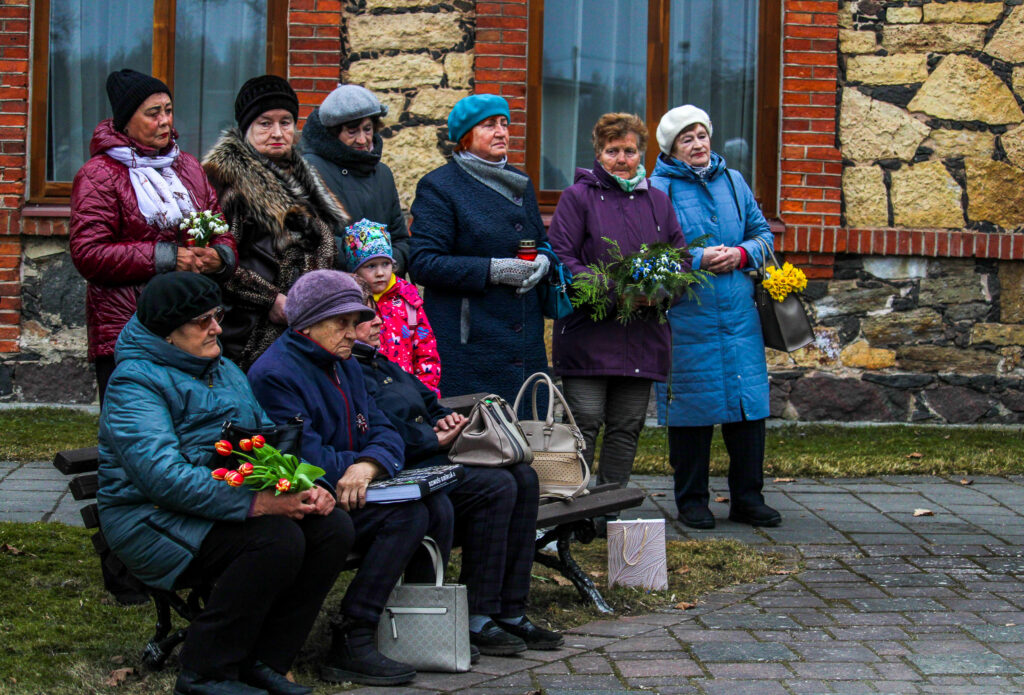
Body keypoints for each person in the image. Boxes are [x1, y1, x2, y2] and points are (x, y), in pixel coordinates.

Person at [96, 272, 350, 695]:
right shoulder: (134, 383)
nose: (216, 327)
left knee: (331, 528)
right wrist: (258, 504)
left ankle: (266, 659)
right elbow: (161, 477)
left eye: (217, 315)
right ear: (168, 334)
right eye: (203, 321)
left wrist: (302, 484)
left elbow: (266, 439)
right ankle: (204, 672)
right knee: (275, 539)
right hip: (151, 520)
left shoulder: (224, 368)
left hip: (217, 502)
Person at [247, 270, 454, 686]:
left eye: (353, 320)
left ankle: (409, 629)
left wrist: (370, 464)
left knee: (436, 504)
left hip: (356, 485)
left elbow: (384, 430)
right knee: (407, 515)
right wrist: (358, 463)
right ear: (307, 323)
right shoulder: (276, 373)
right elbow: (303, 455)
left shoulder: (344, 363)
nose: (352, 331)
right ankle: (353, 635)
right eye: (340, 322)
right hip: (310, 499)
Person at [351, 283, 564, 656]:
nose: (377, 321)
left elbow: (426, 399)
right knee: (497, 486)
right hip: (406, 468)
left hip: (434, 456)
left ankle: (510, 609)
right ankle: (477, 614)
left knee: (525, 477)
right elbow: (379, 428)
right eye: (364, 317)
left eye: (374, 312)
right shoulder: (352, 371)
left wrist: (447, 420)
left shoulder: (379, 361)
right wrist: (432, 439)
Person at [70, 68, 236, 404]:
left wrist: (220, 257)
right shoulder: (99, 175)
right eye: (153, 113)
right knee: (135, 422)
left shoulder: (187, 167)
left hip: (190, 324)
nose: (165, 121)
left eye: (168, 110)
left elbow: (220, 228)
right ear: (126, 121)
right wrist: (168, 257)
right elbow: (89, 253)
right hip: (127, 324)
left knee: (191, 422)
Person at [650, 105, 781, 530]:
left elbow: (763, 235)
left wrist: (742, 253)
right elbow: (649, 254)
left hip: (740, 315)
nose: (698, 145)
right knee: (691, 409)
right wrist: (697, 257)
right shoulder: (657, 189)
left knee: (749, 410)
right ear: (671, 149)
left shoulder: (733, 180)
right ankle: (692, 501)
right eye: (686, 139)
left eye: (702, 136)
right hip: (689, 316)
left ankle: (748, 498)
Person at [548, 113, 686, 491]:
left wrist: (660, 290)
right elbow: (563, 257)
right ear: (598, 153)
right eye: (613, 151)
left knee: (627, 426)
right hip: (589, 333)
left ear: (641, 153)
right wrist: (619, 291)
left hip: (643, 337)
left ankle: (608, 510)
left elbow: (681, 258)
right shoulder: (578, 198)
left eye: (629, 150)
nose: (622, 159)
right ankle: (569, 507)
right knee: (583, 422)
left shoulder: (658, 201)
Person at [408, 94, 553, 404]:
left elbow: (540, 241)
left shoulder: (521, 182)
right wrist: (494, 270)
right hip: (471, 343)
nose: (501, 132)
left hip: (523, 339)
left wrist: (544, 260)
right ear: (465, 136)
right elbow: (423, 262)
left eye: (504, 124)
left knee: (528, 434)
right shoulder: (440, 186)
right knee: (478, 442)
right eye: (489, 125)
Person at [202, 75, 348, 371]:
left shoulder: (305, 177)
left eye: (286, 122)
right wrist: (271, 300)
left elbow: (325, 243)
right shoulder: (226, 182)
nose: (277, 132)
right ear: (246, 129)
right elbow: (215, 261)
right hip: (249, 333)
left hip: (307, 324)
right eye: (265, 123)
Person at [300, 84, 412, 274]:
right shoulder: (310, 170)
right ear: (334, 133)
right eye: (352, 131)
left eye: (367, 129)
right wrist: (365, 264)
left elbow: (400, 238)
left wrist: (390, 266)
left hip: (382, 292)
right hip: (335, 292)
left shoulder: (383, 174)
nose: (362, 139)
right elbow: (312, 237)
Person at [346, 223, 441, 396]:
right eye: (371, 266)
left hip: (410, 394)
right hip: (370, 395)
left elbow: (426, 350)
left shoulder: (408, 300)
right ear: (355, 270)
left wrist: (425, 394)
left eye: (385, 264)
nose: (380, 273)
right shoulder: (350, 305)